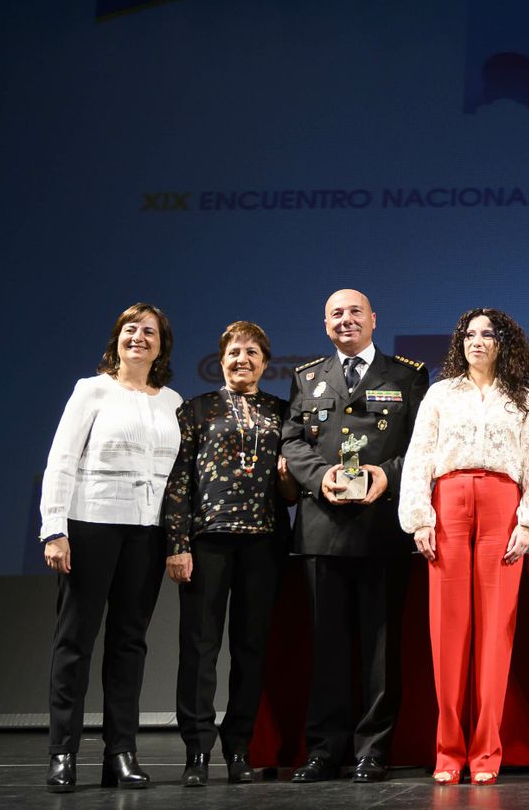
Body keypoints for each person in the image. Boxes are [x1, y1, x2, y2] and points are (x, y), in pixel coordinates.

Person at [280, 289, 429, 783]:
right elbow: (292, 444)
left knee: (380, 651)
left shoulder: (408, 375)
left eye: (355, 312)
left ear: (374, 320)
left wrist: (387, 474)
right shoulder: (307, 377)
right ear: (326, 325)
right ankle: (324, 750)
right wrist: (322, 476)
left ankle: (372, 750)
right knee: (327, 648)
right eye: (336, 314)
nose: (346, 320)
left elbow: (423, 449)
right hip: (322, 529)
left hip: (381, 529)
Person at [39, 303, 183, 792]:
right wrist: (54, 528)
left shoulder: (172, 401)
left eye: (149, 331)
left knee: (129, 644)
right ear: (116, 339)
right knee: (75, 641)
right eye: (129, 329)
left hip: (147, 532)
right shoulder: (92, 390)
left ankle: (121, 751)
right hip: (91, 524)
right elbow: (61, 460)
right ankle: (63, 752)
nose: (138, 337)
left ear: (162, 344)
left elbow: (179, 481)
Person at [400, 308, 529, 786]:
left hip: (502, 507)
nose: (477, 341)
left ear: (505, 343)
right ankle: (449, 751)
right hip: (449, 505)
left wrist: (527, 523)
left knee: (495, 635)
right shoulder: (441, 394)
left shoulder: (522, 399)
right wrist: (420, 518)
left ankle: (486, 752)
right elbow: (420, 457)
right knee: (449, 633)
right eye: (469, 334)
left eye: (488, 334)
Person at [163, 320, 297, 786]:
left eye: (252, 353)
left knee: (251, 649)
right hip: (207, 542)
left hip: (265, 542)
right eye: (234, 352)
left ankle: (238, 747)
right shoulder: (195, 410)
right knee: (199, 649)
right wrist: (177, 544)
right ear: (222, 360)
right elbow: (178, 483)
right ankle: (196, 751)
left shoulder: (284, 412)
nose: (243, 360)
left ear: (265, 361)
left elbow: (292, 488)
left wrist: (287, 480)